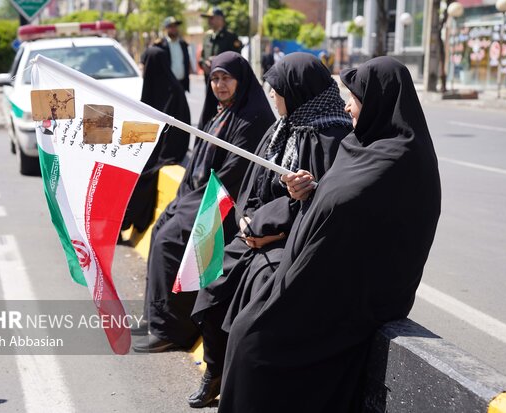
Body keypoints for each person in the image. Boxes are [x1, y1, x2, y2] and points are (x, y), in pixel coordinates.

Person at [219, 56, 442, 412]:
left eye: (355, 97)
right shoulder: (363, 146)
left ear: (379, 100)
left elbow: (366, 220)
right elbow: (338, 200)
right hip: (324, 272)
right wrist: (308, 192)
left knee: (256, 346)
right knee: (247, 327)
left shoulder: (402, 159)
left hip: (356, 292)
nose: (348, 106)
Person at [187, 52, 353, 408]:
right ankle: (214, 371)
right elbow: (252, 187)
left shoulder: (331, 137)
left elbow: (323, 206)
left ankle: (243, 384)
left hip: (291, 243)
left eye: (276, 90)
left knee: (256, 297)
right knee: (213, 283)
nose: (273, 97)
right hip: (257, 234)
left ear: (295, 90)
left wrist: (271, 233)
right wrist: (247, 221)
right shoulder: (283, 128)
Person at [133, 52, 276, 353]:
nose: (220, 85)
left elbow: (233, 175)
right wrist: (182, 198)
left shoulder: (251, 118)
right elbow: (197, 160)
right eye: (214, 78)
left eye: (226, 78)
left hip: (227, 203)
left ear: (241, 80)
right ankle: (155, 317)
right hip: (201, 194)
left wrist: (191, 203)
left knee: (171, 241)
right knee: (161, 228)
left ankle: (172, 329)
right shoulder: (221, 111)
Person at [120, 46, 191, 235]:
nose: (143, 71)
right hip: (152, 146)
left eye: (145, 66)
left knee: (143, 176)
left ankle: (126, 223)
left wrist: (160, 155)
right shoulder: (151, 88)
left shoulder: (174, 91)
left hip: (167, 150)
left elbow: (178, 131)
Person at [199, 7, 242, 83]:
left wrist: (219, 61)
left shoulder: (230, 37)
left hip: (225, 82)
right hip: (209, 80)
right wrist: (204, 63)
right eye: (208, 18)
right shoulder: (207, 37)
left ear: (220, 19)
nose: (209, 21)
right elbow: (202, 57)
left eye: (211, 18)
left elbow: (237, 58)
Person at [152, 16, 192, 92]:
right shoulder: (160, 45)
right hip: (167, 85)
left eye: (175, 26)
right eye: (171, 26)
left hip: (181, 83)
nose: (174, 28)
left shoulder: (183, 44)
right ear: (165, 29)